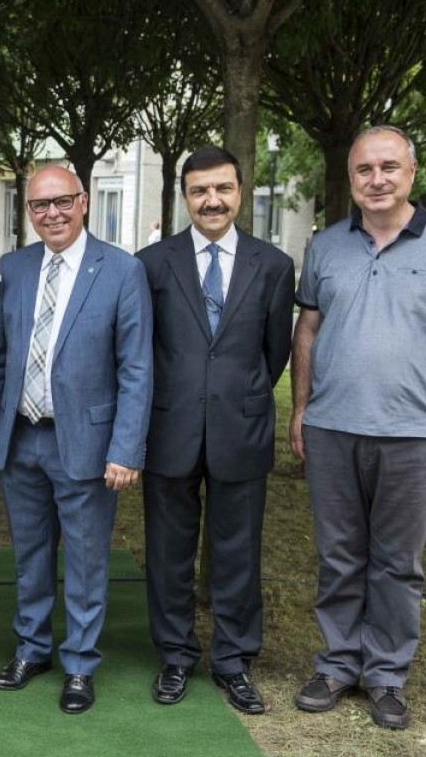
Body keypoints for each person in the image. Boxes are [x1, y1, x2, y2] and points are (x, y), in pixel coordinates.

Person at [0, 165, 152, 714]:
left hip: (86, 441)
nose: (50, 214)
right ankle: (32, 648)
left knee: (84, 558)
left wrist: (126, 448)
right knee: (30, 554)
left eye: (61, 202)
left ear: (82, 202)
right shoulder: (14, 267)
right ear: (28, 212)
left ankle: (79, 663)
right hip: (21, 436)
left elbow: (136, 367)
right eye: (38, 206)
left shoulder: (122, 270)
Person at [136, 146, 294, 715]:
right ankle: (176, 655)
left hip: (241, 429)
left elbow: (273, 352)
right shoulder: (151, 263)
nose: (212, 200)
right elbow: (141, 351)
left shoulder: (273, 264)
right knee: (168, 554)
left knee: (238, 553)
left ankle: (232, 660)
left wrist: (237, 395)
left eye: (223, 188)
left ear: (240, 191)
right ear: (184, 195)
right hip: (168, 429)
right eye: (200, 190)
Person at [290, 125, 426, 731]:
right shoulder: (326, 247)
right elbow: (309, 332)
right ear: (350, 178)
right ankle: (337, 663)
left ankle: (387, 675)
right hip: (331, 428)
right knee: (340, 556)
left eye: (388, 168)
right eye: (364, 170)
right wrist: (299, 409)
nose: (377, 180)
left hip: (413, 434)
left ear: (412, 173)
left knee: (398, 564)